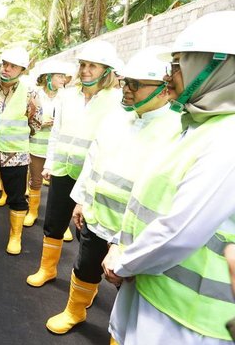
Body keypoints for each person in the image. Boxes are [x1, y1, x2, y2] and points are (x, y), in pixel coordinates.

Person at [102, 11, 235, 344]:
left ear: (217, 66)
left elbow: (180, 232)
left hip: (186, 319)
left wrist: (124, 261)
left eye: (177, 65)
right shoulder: (196, 126)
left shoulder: (227, 139)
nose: (167, 76)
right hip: (153, 295)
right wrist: (121, 244)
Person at [45, 46, 181, 334]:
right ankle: (75, 310)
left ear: (164, 89)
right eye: (125, 83)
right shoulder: (117, 118)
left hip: (135, 232)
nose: (127, 90)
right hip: (97, 218)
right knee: (85, 267)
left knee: (130, 288)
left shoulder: (176, 130)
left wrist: (124, 241)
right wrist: (81, 201)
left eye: (135, 84)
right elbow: (93, 161)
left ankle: (121, 336)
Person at [26, 40, 122, 288]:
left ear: (107, 71)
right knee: (54, 223)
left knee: (88, 234)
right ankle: (47, 269)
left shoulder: (117, 100)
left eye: (93, 66)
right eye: (83, 65)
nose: (86, 70)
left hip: (93, 179)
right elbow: (56, 134)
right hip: (63, 171)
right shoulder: (67, 96)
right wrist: (50, 162)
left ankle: (85, 286)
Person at [0, 46, 42, 255]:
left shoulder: (31, 93)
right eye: (5, 64)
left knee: (16, 198)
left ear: (21, 70)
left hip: (16, 155)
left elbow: (37, 123)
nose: (6, 69)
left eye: (12, 66)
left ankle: (15, 236)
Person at [24, 59, 76, 227]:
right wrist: (39, 122)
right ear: (48, 77)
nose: (63, 80)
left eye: (64, 77)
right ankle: (32, 212)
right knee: (36, 180)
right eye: (60, 76)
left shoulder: (68, 96)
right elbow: (25, 116)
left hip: (59, 149)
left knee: (60, 187)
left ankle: (62, 222)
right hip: (36, 146)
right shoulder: (34, 93)